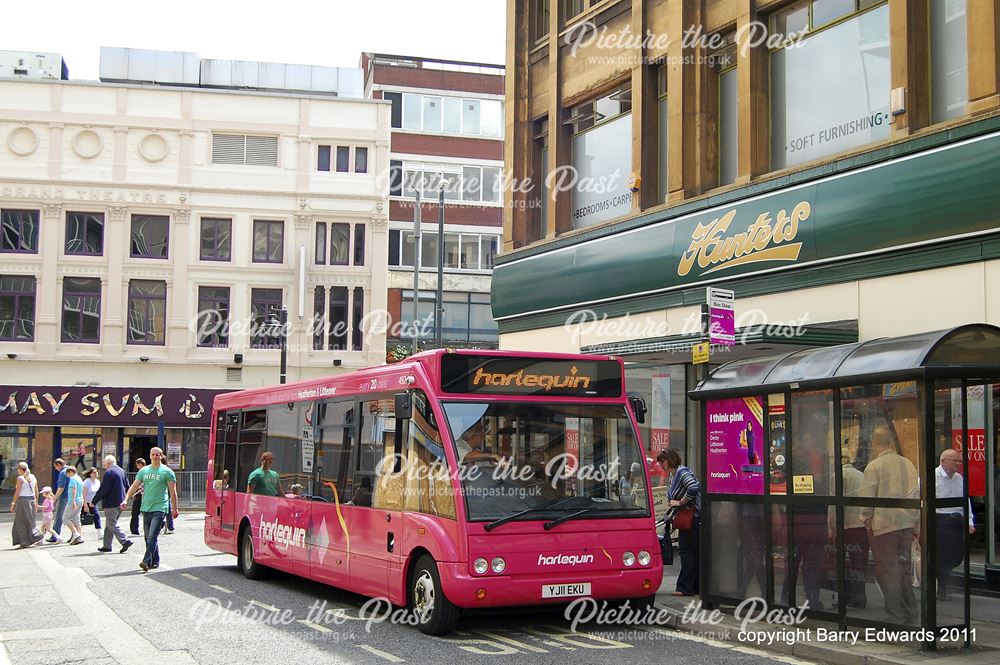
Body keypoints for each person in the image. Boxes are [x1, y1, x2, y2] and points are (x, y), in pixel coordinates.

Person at [859, 425, 919, 624]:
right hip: (906, 523)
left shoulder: (874, 466)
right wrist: (914, 522)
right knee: (903, 568)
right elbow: (915, 494)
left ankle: (895, 614)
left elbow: (867, 499)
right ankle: (910, 609)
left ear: (876, 443)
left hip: (883, 525)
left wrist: (867, 520)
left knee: (887, 570)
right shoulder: (908, 464)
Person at [122, 447, 179, 572]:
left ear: (161, 456)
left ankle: (146, 561)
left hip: (160, 507)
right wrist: (126, 498)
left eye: (157, 455)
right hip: (146, 507)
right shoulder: (144, 471)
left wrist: (175, 508)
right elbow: (134, 486)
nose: (155, 456)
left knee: (152, 536)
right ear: (149, 456)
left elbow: (172, 492)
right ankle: (155, 560)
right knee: (148, 537)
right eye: (153, 454)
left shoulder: (167, 472)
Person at [657, 449, 701, 596]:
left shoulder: (681, 472)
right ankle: (695, 586)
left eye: (662, 462)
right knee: (692, 551)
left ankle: (685, 587)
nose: (661, 465)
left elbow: (693, 487)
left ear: (668, 460)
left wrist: (680, 502)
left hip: (692, 517)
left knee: (686, 551)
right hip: (689, 516)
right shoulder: (674, 474)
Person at [935, 449, 975, 600]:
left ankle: (943, 579)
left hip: (956, 521)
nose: (958, 464)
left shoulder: (959, 478)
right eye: (955, 461)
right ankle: (942, 584)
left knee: (957, 555)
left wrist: (969, 521)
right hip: (939, 520)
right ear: (944, 461)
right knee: (941, 555)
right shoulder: (932, 477)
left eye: (959, 461)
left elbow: (966, 502)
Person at [831, 454, 869, 609]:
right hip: (860, 525)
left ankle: (845, 597)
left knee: (842, 564)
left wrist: (832, 526)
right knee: (859, 564)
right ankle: (860, 597)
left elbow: (834, 503)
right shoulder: (861, 475)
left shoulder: (839, 475)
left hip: (845, 526)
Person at [90, 455, 133, 554]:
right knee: (110, 523)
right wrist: (126, 498)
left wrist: (94, 501)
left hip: (111, 502)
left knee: (111, 523)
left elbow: (104, 489)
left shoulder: (109, 472)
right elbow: (127, 486)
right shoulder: (121, 471)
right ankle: (107, 545)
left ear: (109, 463)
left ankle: (125, 540)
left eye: (104, 463)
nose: (104, 465)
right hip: (120, 501)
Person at [10, 462, 44, 548]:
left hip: (23, 501)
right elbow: (36, 491)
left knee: (20, 521)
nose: (17, 471)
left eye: (18, 469)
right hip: (31, 500)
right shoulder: (33, 477)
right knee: (30, 521)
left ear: (21, 469)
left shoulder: (20, 478)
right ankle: (34, 538)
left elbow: (17, 492)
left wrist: (13, 504)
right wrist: (36, 502)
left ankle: (24, 542)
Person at [63, 466, 86, 545]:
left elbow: (73, 489)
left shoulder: (72, 479)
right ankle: (80, 536)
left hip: (74, 500)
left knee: (65, 518)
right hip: (80, 500)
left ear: (70, 472)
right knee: (76, 518)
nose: (68, 476)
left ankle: (75, 534)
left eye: (67, 474)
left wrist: (72, 501)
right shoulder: (79, 479)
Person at [47, 458, 69, 543]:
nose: (56, 469)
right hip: (71, 497)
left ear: (59, 464)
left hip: (64, 497)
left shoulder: (63, 473)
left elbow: (61, 487)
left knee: (59, 516)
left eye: (55, 466)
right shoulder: (70, 470)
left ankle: (55, 536)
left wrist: (55, 497)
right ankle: (76, 534)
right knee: (71, 517)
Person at [82, 467, 103, 532]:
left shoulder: (97, 481)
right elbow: (84, 494)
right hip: (85, 502)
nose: (96, 474)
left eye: (96, 472)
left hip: (93, 502)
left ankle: (99, 532)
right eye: (94, 472)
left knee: (96, 515)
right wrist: (85, 505)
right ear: (90, 474)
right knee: (81, 518)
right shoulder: (87, 482)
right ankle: (76, 532)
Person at [129, 458, 146, 535]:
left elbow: (142, 485)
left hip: (141, 495)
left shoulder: (142, 472)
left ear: (140, 464)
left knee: (135, 513)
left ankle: (134, 529)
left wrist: (135, 493)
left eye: (137, 464)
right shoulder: (147, 471)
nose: (136, 466)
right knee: (145, 513)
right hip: (144, 495)